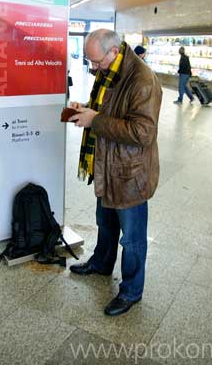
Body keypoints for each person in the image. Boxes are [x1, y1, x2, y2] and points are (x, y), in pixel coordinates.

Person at [68, 29, 162, 317]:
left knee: (132, 238)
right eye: (90, 62)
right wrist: (87, 109)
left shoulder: (142, 79)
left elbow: (143, 132)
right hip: (108, 165)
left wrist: (96, 121)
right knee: (106, 222)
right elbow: (110, 110)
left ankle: (132, 290)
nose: (93, 68)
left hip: (130, 174)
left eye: (96, 62)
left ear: (113, 51)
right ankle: (102, 262)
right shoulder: (112, 69)